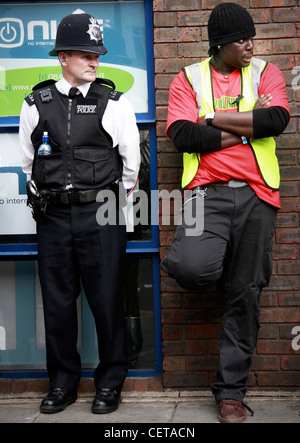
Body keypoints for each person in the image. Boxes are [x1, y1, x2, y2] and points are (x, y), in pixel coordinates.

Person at [161, 3, 290, 423]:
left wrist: (214, 118)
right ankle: (214, 261)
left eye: (252, 37)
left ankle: (230, 393)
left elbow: (275, 120)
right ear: (220, 44)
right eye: (242, 40)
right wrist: (244, 127)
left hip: (257, 197)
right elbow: (184, 135)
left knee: (245, 294)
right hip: (207, 194)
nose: (251, 45)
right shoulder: (189, 78)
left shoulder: (266, 71)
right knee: (194, 267)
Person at [19, 10, 140, 414]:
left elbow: (130, 168)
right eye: (86, 55)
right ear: (62, 57)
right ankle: (63, 384)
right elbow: (27, 163)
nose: (95, 62)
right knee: (56, 305)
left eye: (97, 55)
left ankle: (109, 383)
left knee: (107, 303)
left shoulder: (113, 103)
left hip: (101, 216)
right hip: (53, 218)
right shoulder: (36, 103)